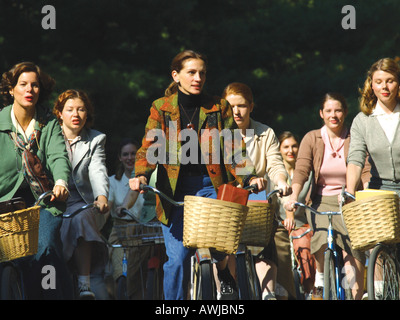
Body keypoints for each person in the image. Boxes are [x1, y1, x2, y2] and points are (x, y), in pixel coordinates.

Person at [129, 50, 266, 300]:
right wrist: (141, 175)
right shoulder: (162, 108)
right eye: (191, 72)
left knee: (220, 242)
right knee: (177, 260)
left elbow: (234, 148)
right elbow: (149, 146)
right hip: (173, 191)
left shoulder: (218, 107)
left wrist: (249, 177)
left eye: (202, 72)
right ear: (176, 75)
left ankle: (222, 270)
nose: (198, 77)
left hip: (209, 185)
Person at [285, 93, 370, 300]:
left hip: (350, 199)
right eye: (329, 111)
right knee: (322, 236)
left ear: (345, 113)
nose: (334, 115)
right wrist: (293, 196)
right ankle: (321, 279)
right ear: (321, 114)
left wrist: (367, 195)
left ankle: (354, 294)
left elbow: (366, 170)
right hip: (321, 200)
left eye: (338, 110)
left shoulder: (354, 137)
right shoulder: (312, 138)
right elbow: (301, 170)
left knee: (352, 252)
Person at [0, 62, 72, 299]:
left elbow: (58, 155)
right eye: (23, 84)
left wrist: (61, 182)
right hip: (4, 204)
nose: (29, 89)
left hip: (43, 202)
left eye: (35, 85)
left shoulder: (49, 123)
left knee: (46, 250)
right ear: (11, 89)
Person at [221, 82, 291, 300]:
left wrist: (280, 181)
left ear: (251, 106)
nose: (236, 111)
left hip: (258, 204)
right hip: (229, 203)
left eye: (242, 106)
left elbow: (275, 163)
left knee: (268, 245)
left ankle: (268, 294)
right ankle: (224, 290)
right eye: (231, 106)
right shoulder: (218, 135)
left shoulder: (265, 132)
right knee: (224, 247)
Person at [53, 89, 109, 300]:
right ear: (60, 113)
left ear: (87, 113)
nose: (75, 114)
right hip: (53, 199)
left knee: (83, 218)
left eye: (81, 109)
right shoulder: (48, 134)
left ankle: (84, 284)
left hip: (82, 201)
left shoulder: (96, 139)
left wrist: (101, 196)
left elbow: (98, 169)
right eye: (69, 109)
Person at [107, 138, 153, 299]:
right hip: (121, 230)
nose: (129, 158)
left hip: (144, 229)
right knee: (120, 271)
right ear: (120, 158)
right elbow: (107, 208)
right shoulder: (113, 181)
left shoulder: (149, 179)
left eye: (133, 154)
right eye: (125, 154)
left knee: (142, 272)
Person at [347, 57, 400, 196]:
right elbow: (355, 160)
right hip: (379, 193)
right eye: (378, 82)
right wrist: (350, 191)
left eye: (390, 81)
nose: (384, 87)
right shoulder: (362, 121)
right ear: (371, 85)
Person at [276, 131, 315, 299]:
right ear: (279, 150)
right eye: (286, 147)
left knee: (305, 242)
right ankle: (283, 292)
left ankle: (310, 290)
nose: (290, 150)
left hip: (303, 223)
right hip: (279, 224)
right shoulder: (275, 175)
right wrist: (287, 216)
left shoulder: (308, 173)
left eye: (294, 146)